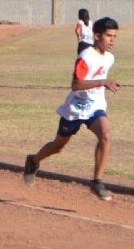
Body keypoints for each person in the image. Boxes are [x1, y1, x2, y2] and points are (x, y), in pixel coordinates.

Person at [23, 17, 121, 201]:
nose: (112, 40)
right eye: (108, 36)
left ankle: (97, 181)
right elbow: (75, 84)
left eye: (114, 36)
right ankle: (34, 160)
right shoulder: (86, 56)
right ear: (97, 35)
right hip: (75, 108)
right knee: (58, 146)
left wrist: (104, 84)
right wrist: (103, 82)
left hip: (95, 107)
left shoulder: (109, 58)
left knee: (106, 134)